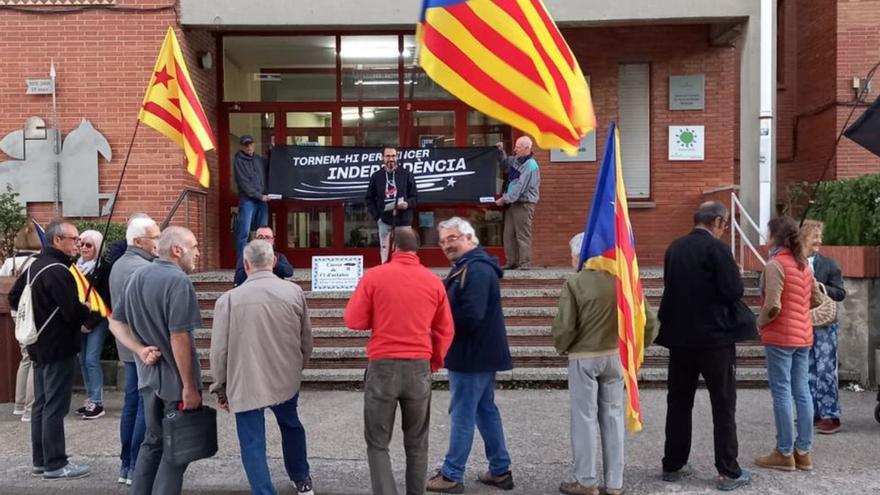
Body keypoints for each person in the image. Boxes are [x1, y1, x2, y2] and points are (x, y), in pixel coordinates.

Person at [343, 227, 454, 495]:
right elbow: (445, 330)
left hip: (383, 366)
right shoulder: (433, 281)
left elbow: (353, 320)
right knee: (417, 443)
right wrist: (433, 362)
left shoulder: (375, 277)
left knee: (378, 442)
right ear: (417, 248)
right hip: (418, 366)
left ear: (392, 246)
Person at [551, 233, 660, 495]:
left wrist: (561, 346)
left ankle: (586, 481)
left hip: (584, 357)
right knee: (613, 417)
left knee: (584, 418)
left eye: (573, 255)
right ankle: (615, 483)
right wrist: (637, 349)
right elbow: (650, 320)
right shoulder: (624, 279)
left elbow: (565, 327)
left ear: (582, 255)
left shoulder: (575, 283)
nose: (572, 260)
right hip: (616, 356)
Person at [656, 201, 753, 491]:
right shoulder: (718, 250)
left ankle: (673, 463)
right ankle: (727, 471)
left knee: (678, 402)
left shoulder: (674, 248)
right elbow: (733, 291)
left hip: (680, 339)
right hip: (715, 340)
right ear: (719, 222)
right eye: (725, 225)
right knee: (723, 404)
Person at [210, 239, 315, 495]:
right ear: (274, 261)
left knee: (252, 441)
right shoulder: (294, 292)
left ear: (245, 264)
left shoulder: (228, 300)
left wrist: (220, 387)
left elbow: (219, 351)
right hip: (285, 375)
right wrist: (298, 367)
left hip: (245, 378)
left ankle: (263, 491)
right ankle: (301, 477)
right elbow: (306, 339)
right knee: (291, 425)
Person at [110, 226, 203, 495]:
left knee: (152, 443)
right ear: (177, 250)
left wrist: (139, 350)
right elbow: (179, 336)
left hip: (148, 379)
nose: (197, 252)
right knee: (177, 450)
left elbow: (116, 323)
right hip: (175, 382)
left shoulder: (138, 276)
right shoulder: (178, 282)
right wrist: (189, 386)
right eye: (194, 246)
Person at [426, 217, 514, 494]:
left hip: (471, 354)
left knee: (463, 413)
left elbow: (471, 315)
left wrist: (439, 323)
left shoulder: (474, 269)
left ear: (469, 238)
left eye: (452, 238)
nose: (446, 245)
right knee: (484, 410)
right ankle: (500, 470)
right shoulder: (471, 267)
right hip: (480, 353)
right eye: (442, 241)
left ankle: (452, 474)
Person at [8, 221, 93, 480]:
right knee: (55, 406)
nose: (77, 243)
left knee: (41, 405)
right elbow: (70, 311)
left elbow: (13, 297)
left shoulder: (36, 265)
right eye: (74, 239)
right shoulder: (58, 270)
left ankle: (41, 461)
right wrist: (85, 309)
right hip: (58, 346)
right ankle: (55, 463)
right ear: (58, 240)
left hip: (37, 343)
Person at [754, 216, 821, 472]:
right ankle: (803, 452)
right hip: (803, 336)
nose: (765, 237)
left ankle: (783, 452)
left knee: (781, 392)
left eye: (768, 233)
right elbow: (814, 299)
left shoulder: (775, 264)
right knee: (802, 391)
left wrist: (759, 323)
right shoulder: (804, 264)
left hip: (780, 337)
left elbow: (772, 305)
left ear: (775, 237)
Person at [108, 214, 160, 485]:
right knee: (143, 405)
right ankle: (135, 464)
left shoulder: (119, 264)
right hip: (141, 347)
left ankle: (126, 464)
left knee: (132, 404)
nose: (158, 243)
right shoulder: (141, 268)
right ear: (139, 241)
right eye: (155, 238)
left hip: (127, 346)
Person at [801, 220, 847, 434]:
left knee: (826, 369)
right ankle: (811, 412)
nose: (819, 241)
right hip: (802, 322)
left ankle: (830, 415)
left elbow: (840, 293)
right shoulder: (793, 263)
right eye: (815, 236)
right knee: (806, 369)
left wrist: (822, 288)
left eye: (820, 236)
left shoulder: (829, 265)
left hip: (825, 325)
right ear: (803, 238)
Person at [1, 223, 42, 423]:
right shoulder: (38, 262)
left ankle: (19, 404)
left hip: (14, 312)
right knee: (33, 358)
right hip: (32, 313)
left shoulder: (10, 262)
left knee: (24, 357)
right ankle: (29, 408)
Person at [74, 229, 110, 420]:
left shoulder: (103, 268)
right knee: (82, 360)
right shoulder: (75, 266)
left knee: (91, 359)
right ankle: (90, 399)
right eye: (81, 244)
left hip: (97, 319)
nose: (84, 248)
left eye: (89, 245)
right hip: (79, 321)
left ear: (97, 247)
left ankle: (97, 401)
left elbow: (105, 298)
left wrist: (90, 322)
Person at [365, 146, 418, 263]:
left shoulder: (406, 174)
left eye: (393, 156)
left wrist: (407, 204)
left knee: (405, 252)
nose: (391, 159)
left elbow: (414, 197)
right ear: (382, 158)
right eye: (388, 156)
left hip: (403, 221)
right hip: (384, 221)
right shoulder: (376, 176)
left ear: (397, 157)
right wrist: (377, 217)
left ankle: (404, 278)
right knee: (385, 253)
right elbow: (369, 198)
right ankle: (386, 277)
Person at [495, 137, 540, 270]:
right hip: (513, 203)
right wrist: (500, 151)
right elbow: (504, 164)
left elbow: (521, 186)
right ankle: (511, 261)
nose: (515, 150)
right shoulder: (516, 160)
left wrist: (504, 199)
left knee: (522, 234)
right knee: (508, 234)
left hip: (524, 203)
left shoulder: (531, 165)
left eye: (518, 147)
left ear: (527, 148)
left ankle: (524, 263)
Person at [235, 134, 270, 262]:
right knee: (244, 233)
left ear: (254, 145)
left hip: (262, 200)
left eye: (250, 144)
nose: (248, 147)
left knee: (263, 233)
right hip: (248, 200)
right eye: (246, 145)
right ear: (242, 147)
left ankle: (263, 261)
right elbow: (244, 183)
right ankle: (241, 263)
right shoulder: (239, 160)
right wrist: (260, 196)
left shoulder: (258, 159)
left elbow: (271, 170)